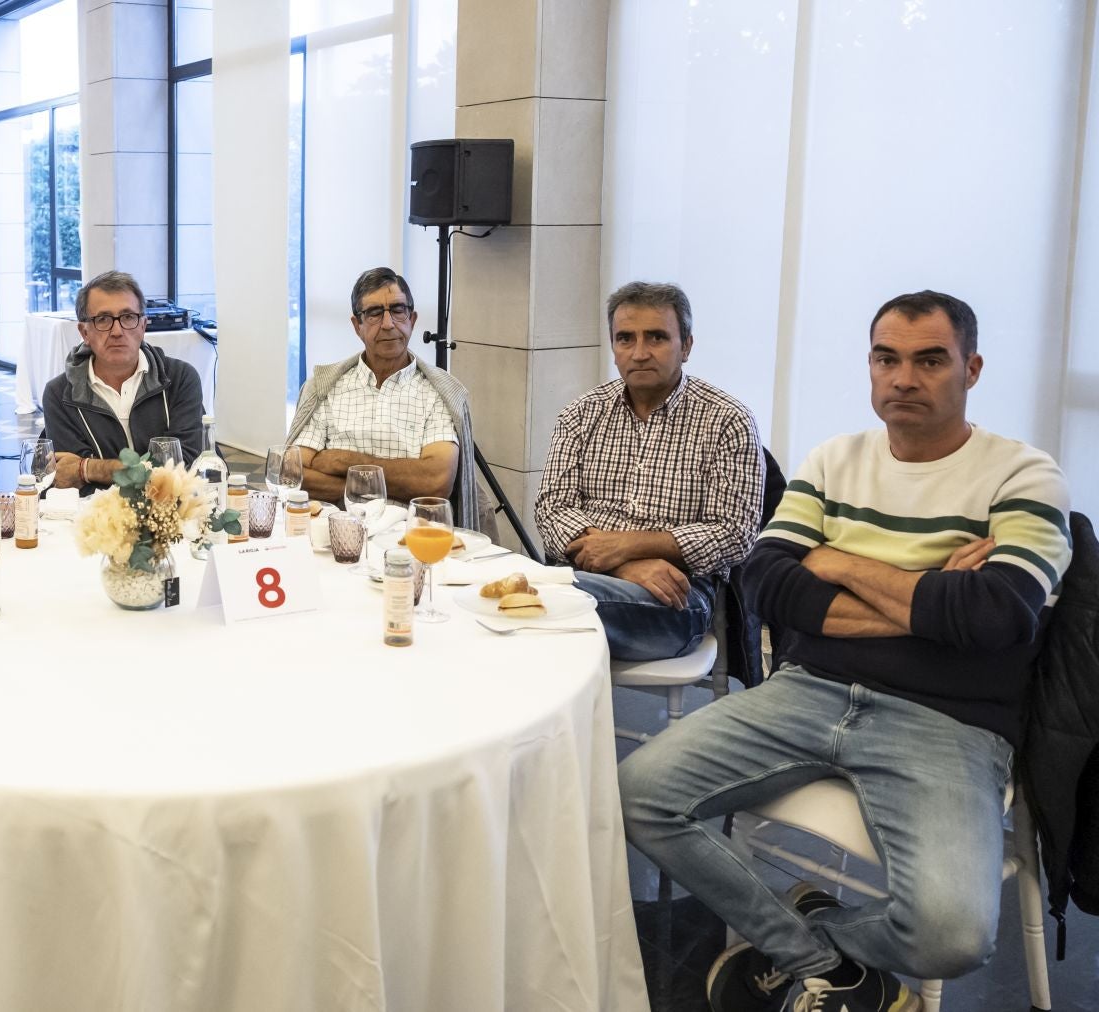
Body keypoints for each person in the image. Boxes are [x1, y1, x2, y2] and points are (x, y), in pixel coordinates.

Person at [621, 290, 1073, 1012]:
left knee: (952, 937)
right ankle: (815, 960)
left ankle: (809, 933)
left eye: (930, 360)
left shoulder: (1023, 474)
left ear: (973, 368)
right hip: (808, 689)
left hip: (946, 722)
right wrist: (929, 596)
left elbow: (995, 616)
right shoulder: (835, 460)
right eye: (886, 359)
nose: (902, 379)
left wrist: (836, 563)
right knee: (638, 795)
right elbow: (767, 583)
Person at [535, 282, 765, 661]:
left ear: (686, 346)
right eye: (625, 339)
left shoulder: (727, 419)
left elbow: (734, 533)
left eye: (656, 337)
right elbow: (551, 510)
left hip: (675, 595)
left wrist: (630, 545)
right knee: (548, 610)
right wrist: (625, 563)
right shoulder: (581, 412)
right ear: (613, 347)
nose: (639, 353)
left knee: (535, 606)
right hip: (582, 575)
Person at [285, 267, 485, 530]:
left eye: (398, 310)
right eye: (374, 313)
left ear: (412, 319)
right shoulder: (326, 387)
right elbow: (292, 472)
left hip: (409, 537)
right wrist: (387, 489)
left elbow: (436, 483)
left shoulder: (437, 393)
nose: (389, 324)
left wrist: (342, 460)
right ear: (357, 325)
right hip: (331, 532)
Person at [42, 270, 204, 489]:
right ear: (84, 332)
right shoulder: (59, 394)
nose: (117, 331)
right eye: (103, 319)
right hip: (98, 518)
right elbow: (71, 482)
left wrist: (89, 468)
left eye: (128, 317)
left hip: (174, 514)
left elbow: (183, 467)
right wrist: (86, 472)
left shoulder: (180, 379)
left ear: (144, 326)